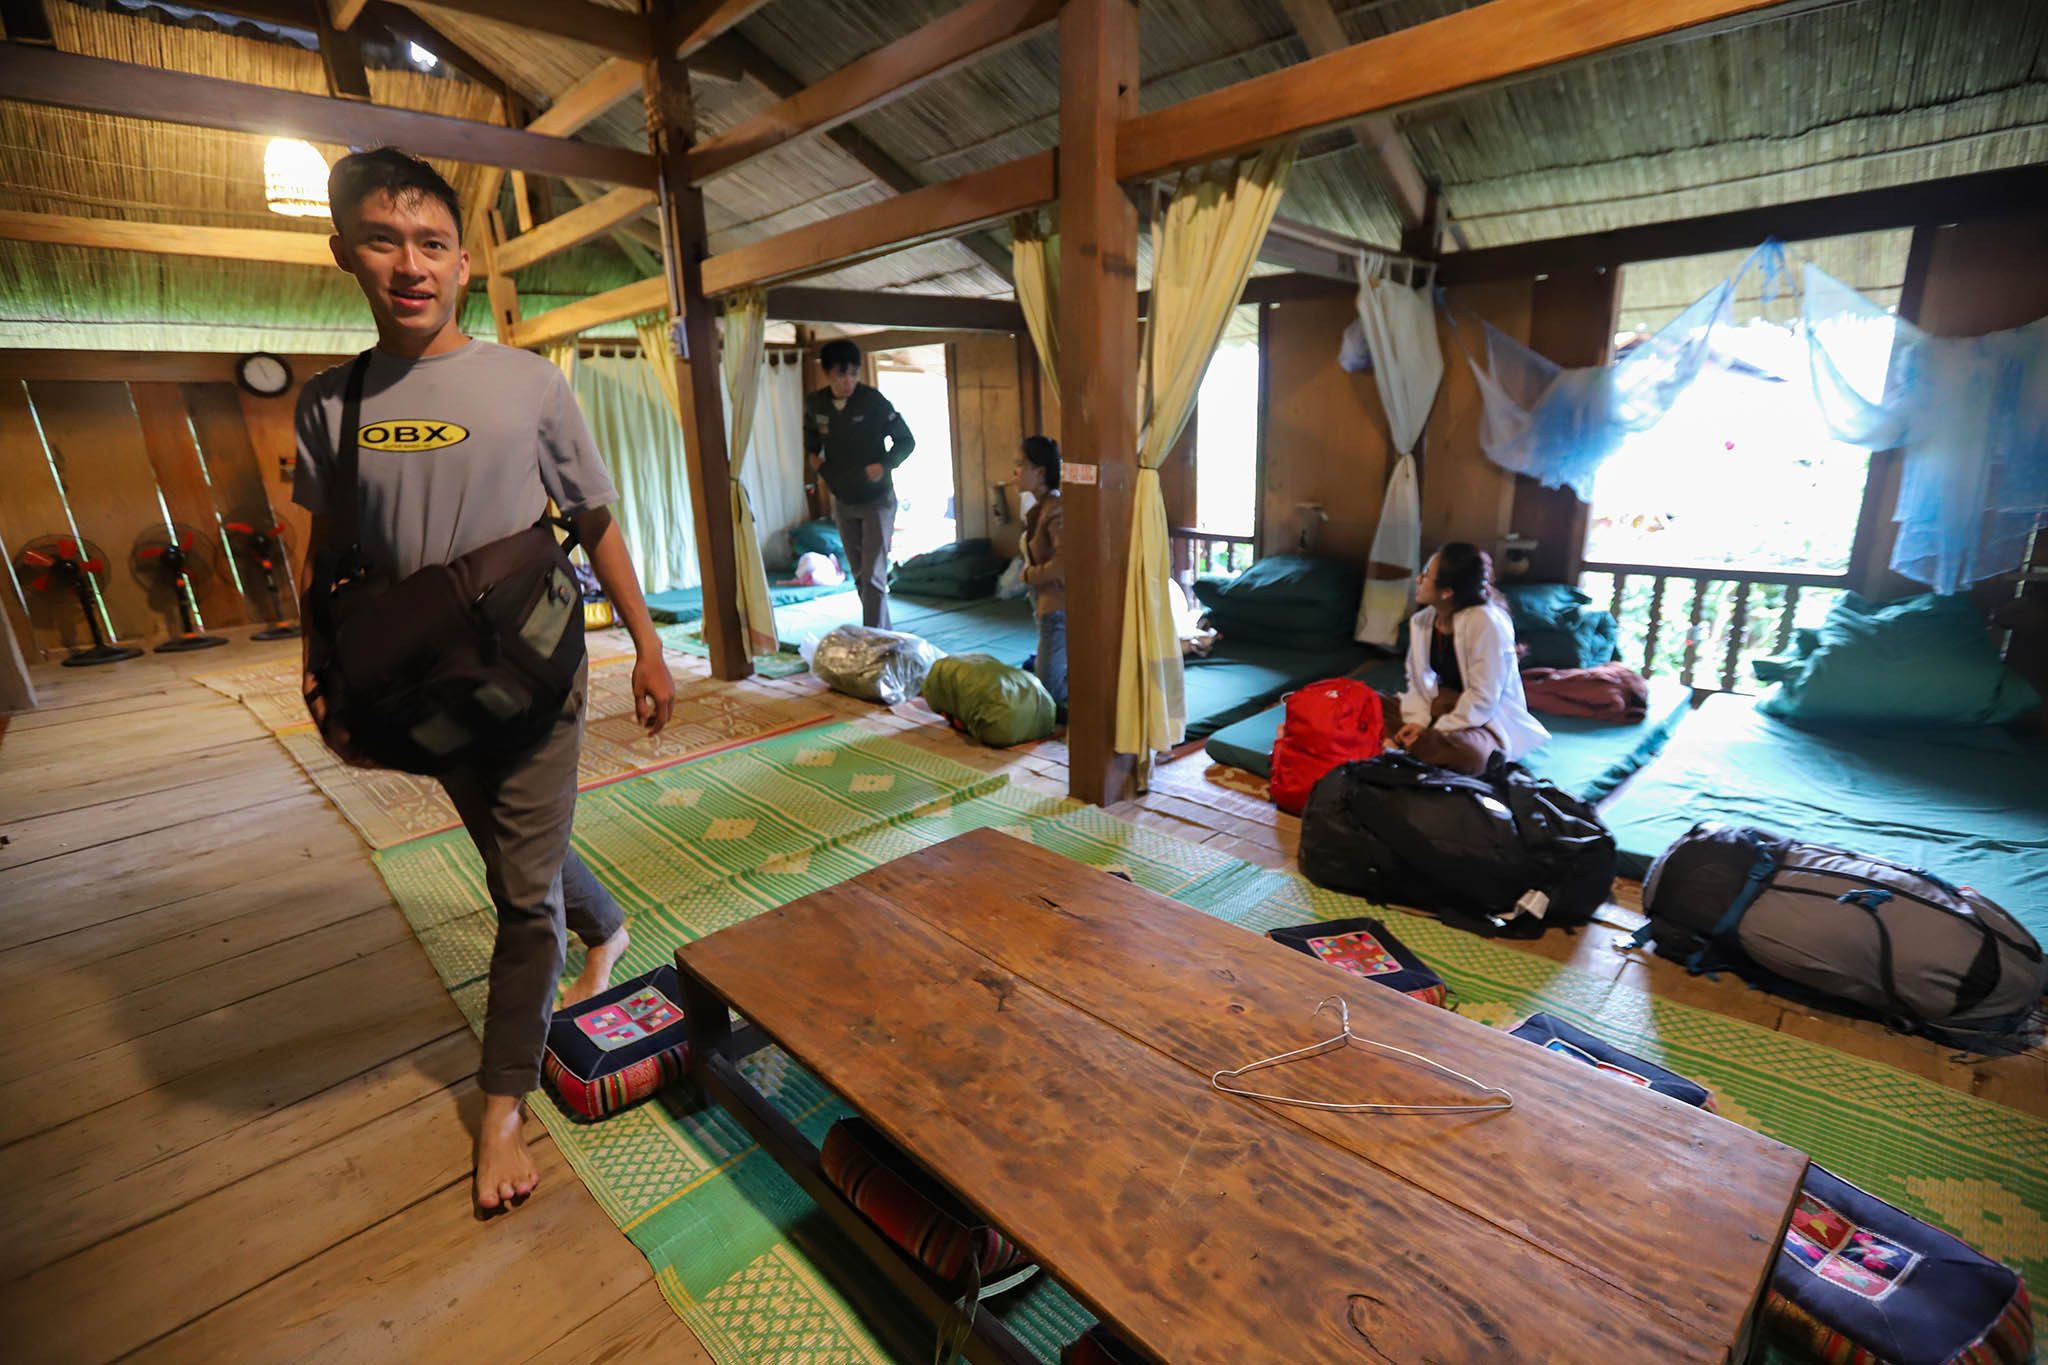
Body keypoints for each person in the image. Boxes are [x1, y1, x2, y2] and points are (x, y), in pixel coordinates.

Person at [293, 148, 674, 1216]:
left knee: (518, 897)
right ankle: (608, 925)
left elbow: (592, 518)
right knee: (519, 850)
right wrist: (320, 662)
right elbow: (327, 553)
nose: (409, 265)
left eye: (431, 244)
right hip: (420, 686)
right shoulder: (331, 405)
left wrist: (647, 644)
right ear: (345, 254)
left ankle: (501, 1104)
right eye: (383, 241)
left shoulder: (529, 383)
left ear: (463, 262)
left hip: (533, 666)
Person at [1389, 542, 1547, 775]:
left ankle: (1403, 746)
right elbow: (1418, 682)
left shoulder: (1485, 622)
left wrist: (1435, 732)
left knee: (1472, 756)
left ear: (1447, 591)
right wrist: (1417, 722)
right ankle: (1412, 746)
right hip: (1440, 704)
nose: (1418, 580)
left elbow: (1483, 698)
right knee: (1365, 703)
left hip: (1482, 719)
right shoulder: (1422, 621)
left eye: (1427, 575)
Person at [804, 338, 914, 628]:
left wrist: (885, 465)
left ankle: (873, 638)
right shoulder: (816, 404)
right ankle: (883, 635)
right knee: (860, 576)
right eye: (841, 375)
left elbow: (906, 440)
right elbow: (811, 443)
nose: (848, 381)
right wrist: (818, 466)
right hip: (843, 499)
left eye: (853, 374)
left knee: (874, 575)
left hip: (877, 499)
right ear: (827, 373)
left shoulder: (872, 401)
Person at [1014, 435, 1066, 707]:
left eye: (1021, 464)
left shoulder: (1055, 509)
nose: (1015, 472)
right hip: (1046, 608)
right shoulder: (1041, 508)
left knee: (1050, 696)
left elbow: (1065, 562)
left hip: (1058, 610)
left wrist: (1028, 575)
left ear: (1040, 472)